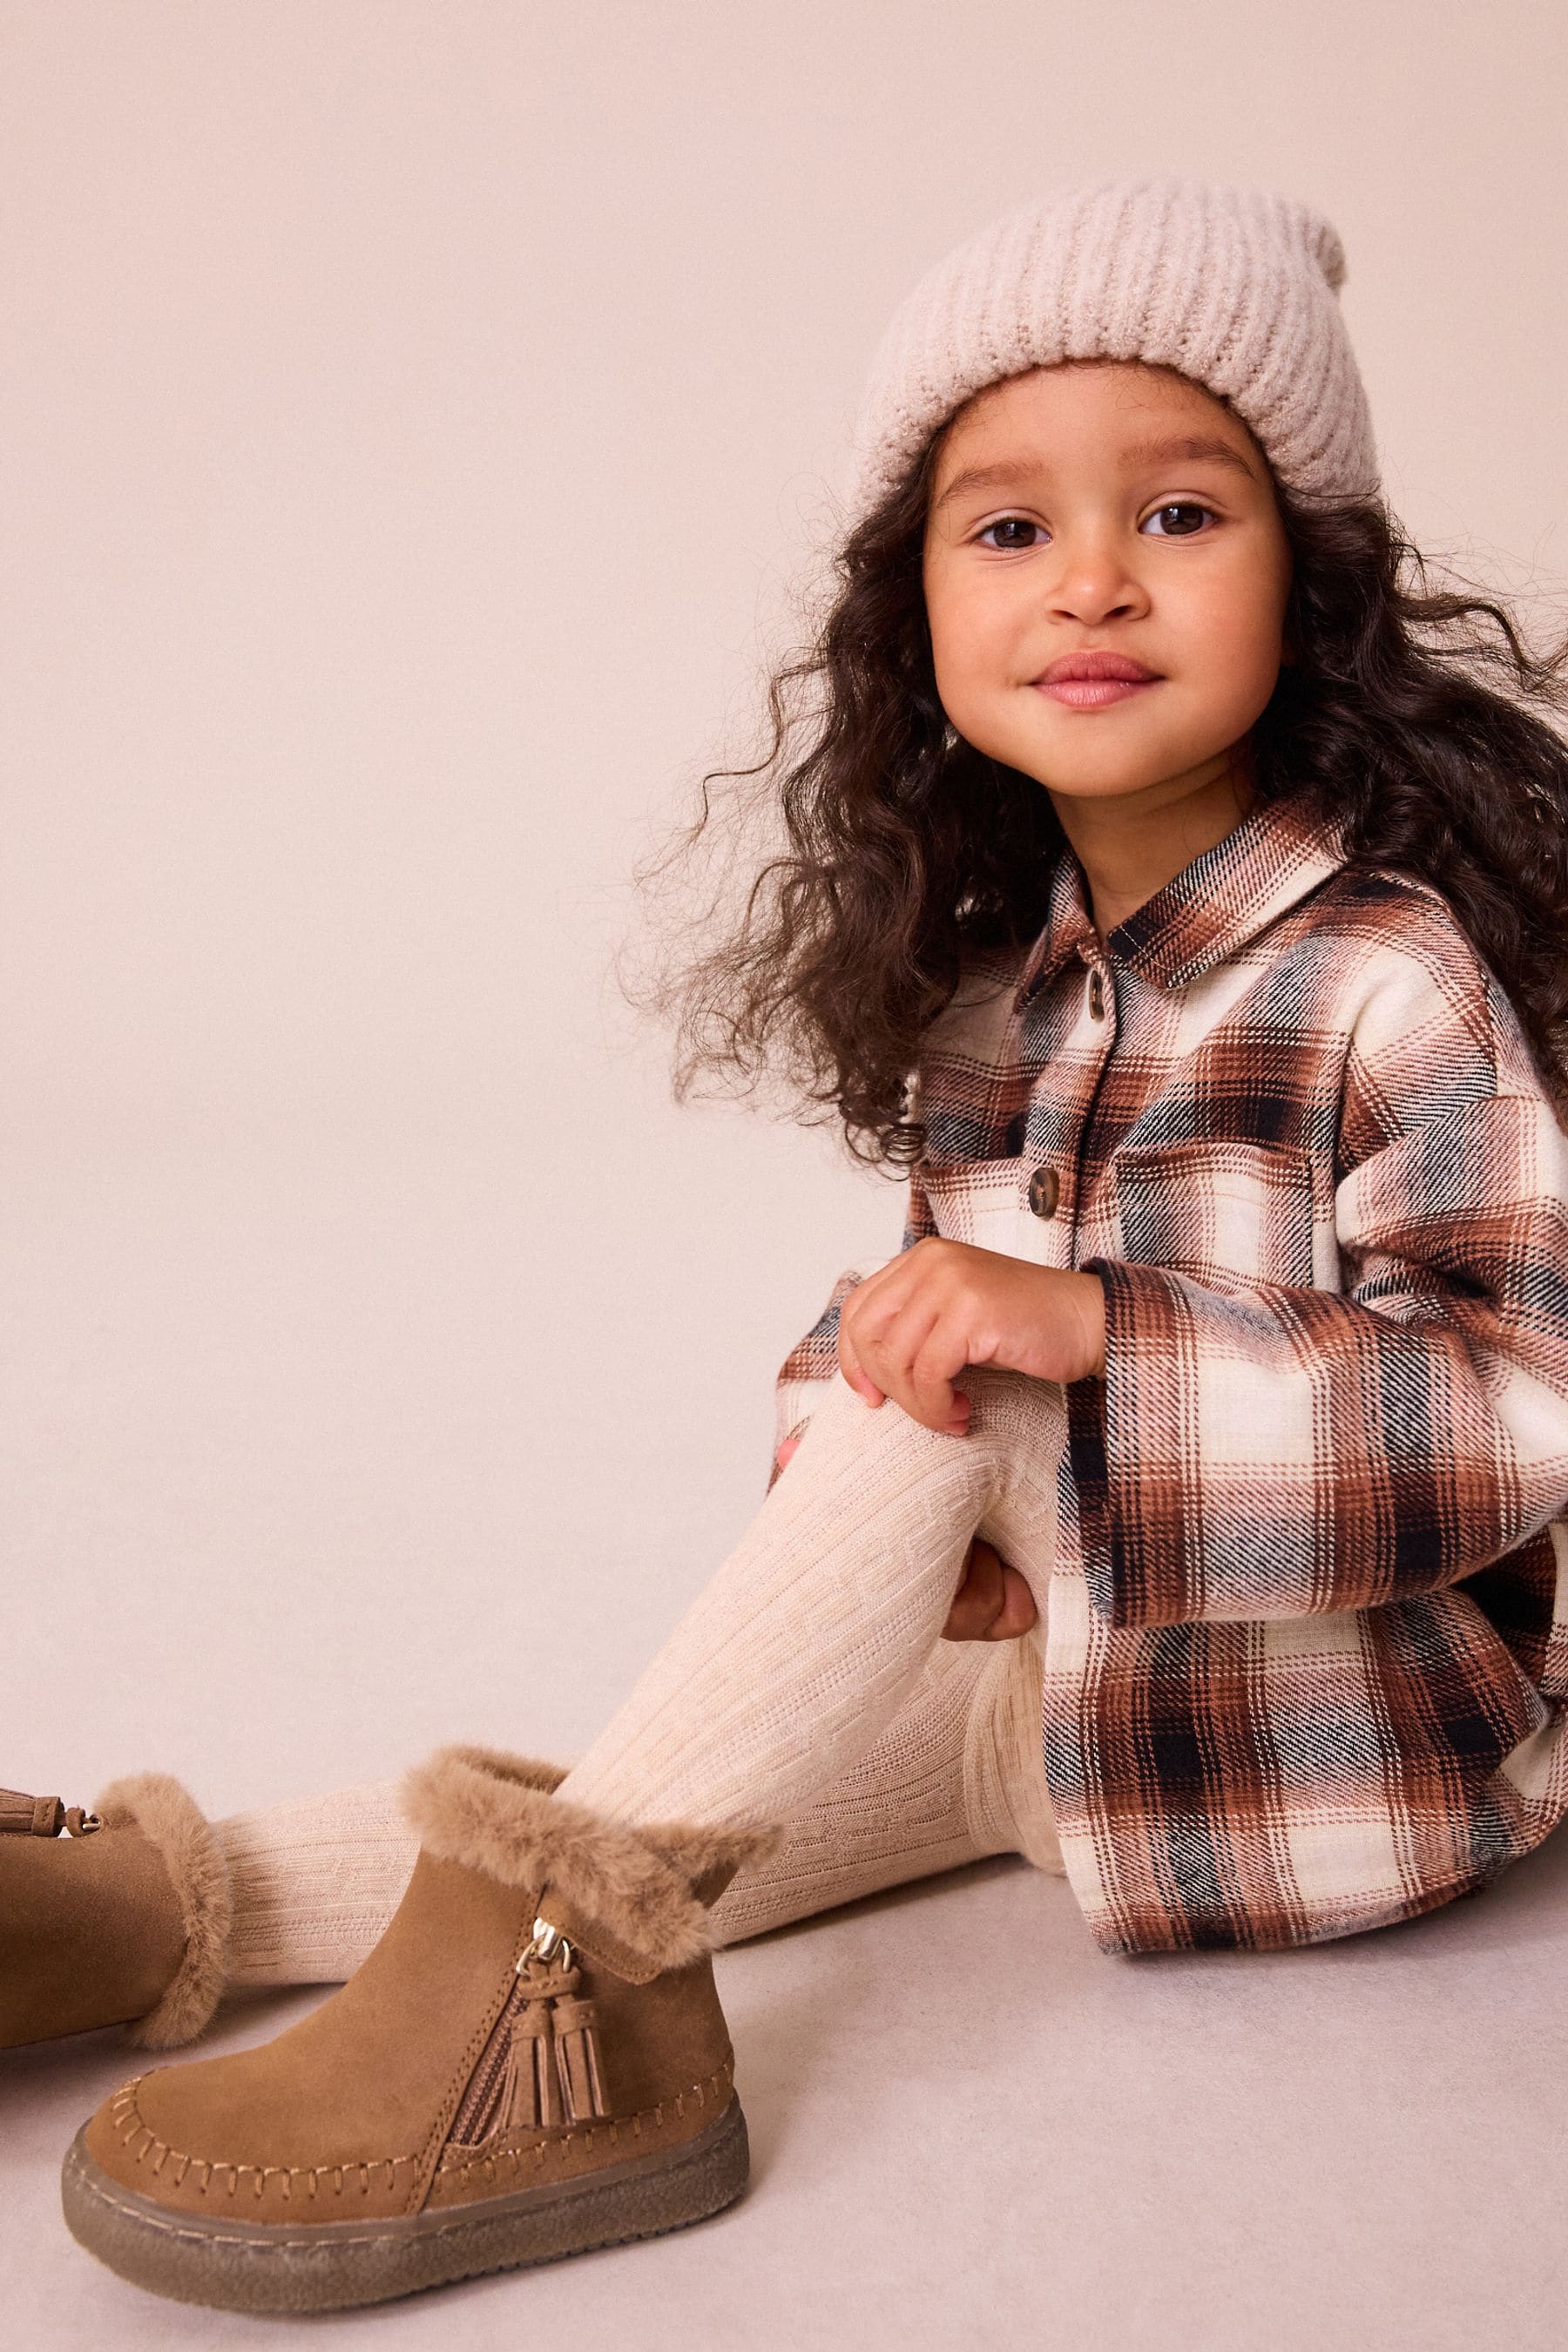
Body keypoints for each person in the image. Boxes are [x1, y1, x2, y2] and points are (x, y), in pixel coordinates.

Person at [10, 175, 1568, 2315]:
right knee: (681, 1795)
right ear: (911, 617)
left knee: (960, 1370)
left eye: (1182, 515)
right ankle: (136, 1911)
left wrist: (1086, 1337)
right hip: (1066, 1705)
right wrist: (899, 1479)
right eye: (1008, 528)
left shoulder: (1392, 984)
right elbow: (902, 1354)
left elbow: (1513, 1410)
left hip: (1327, 1752)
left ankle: (565, 2056)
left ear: (1314, 591)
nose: (1092, 576)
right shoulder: (1000, 1001)